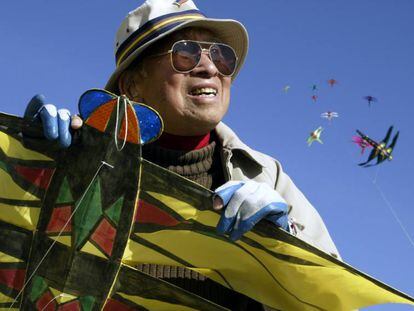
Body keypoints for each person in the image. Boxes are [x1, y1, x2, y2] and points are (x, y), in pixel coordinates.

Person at [24, 0, 340, 309]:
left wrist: (282, 243)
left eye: (221, 55)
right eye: (186, 53)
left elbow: (333, 299)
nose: (210, 67)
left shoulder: (265, 176)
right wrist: (30, 167)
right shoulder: (80, 159)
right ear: (133, 85)